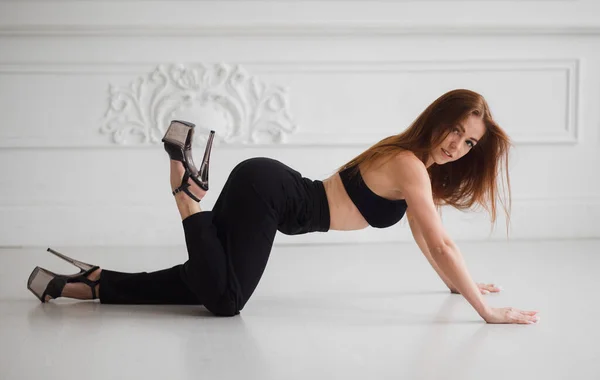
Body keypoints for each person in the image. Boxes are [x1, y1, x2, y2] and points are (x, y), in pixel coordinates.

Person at [26, 88, 540, 325]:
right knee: (226, 302)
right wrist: (486, 311)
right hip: (273, 196)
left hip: (266, 185)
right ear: (438, 121)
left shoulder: (414, 166)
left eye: (469, 142)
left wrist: (456, 286)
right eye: (456, 131)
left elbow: (428, 241)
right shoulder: (409, 164)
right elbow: (441, 241)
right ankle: (187, 196)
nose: (458, 145)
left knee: (201, 280)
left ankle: (92, 283)